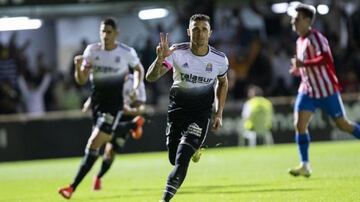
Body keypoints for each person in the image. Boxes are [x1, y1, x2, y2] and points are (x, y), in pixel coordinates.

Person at [58, 18, 145, 199]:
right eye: (102, 31)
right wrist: (77, 66)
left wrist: (136, 87)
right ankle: (131, 125)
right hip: (97, 105)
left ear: (116, 33)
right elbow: (81, 80)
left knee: (94, 144)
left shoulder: (125, 52)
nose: (105, 35)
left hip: (114, 106)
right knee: (96, 147)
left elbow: (138, 69)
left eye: (109, 32)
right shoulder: (92, 51)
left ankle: (72, 187)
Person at [146, 14, 228, 202]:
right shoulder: (176, 52)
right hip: (177, 112)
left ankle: (164, 200)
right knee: (174, 158)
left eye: (204, 29)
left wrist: (219, 113)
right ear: (188, 32)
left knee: (182, 159)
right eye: (196, 29)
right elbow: (150, 78)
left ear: (210, 33)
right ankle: (194, 147)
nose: (200, 33)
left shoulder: (219, 59)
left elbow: (223, 83)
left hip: (200, 113)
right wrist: (159, 59)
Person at [288, 3, 360, 178]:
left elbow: (326, 58)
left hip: (326, 90)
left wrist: (304, 64)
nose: (293, 22)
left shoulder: (317, 38)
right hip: (307, 90)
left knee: (343, 125)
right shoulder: (300, 41)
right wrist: (299, 69)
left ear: (306, 20)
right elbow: (307, 65)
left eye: (296, 19)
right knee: (300, 125)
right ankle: (305, 164)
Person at [92, 71, 147, 191]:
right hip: (111, 114)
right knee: (100, 140)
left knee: (111, 152)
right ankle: (132, 125)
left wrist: (131, 110)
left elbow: (141, 107)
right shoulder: (111, 79)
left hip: (125, 117)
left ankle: (98, 176)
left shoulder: (136, 82)